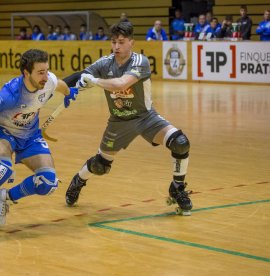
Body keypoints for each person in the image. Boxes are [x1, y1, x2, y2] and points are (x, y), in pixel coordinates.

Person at [65, 21, 193, 216]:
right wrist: (58, 87)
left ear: (131, 42)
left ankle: (178, 187)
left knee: (180, 143)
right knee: (100, 166)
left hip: (146, 117)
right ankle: (78, 180)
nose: (116, 46)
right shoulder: (105, 63)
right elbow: (81, 76)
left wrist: (95, 81)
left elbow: (121, 84)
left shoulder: (140, 62)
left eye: (121, 42)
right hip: (119, 122)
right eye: (114, 41)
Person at [0, 49, 78, 239]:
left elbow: (57, 83)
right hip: (4, 132)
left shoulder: (48, 81)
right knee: (2, 169)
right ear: (26, 73)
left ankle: (5, 197)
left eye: (46, 70)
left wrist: (69, 92)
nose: (45, 76)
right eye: (40, 72)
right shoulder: (11, 93)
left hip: (30, 135)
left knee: (48, 183)